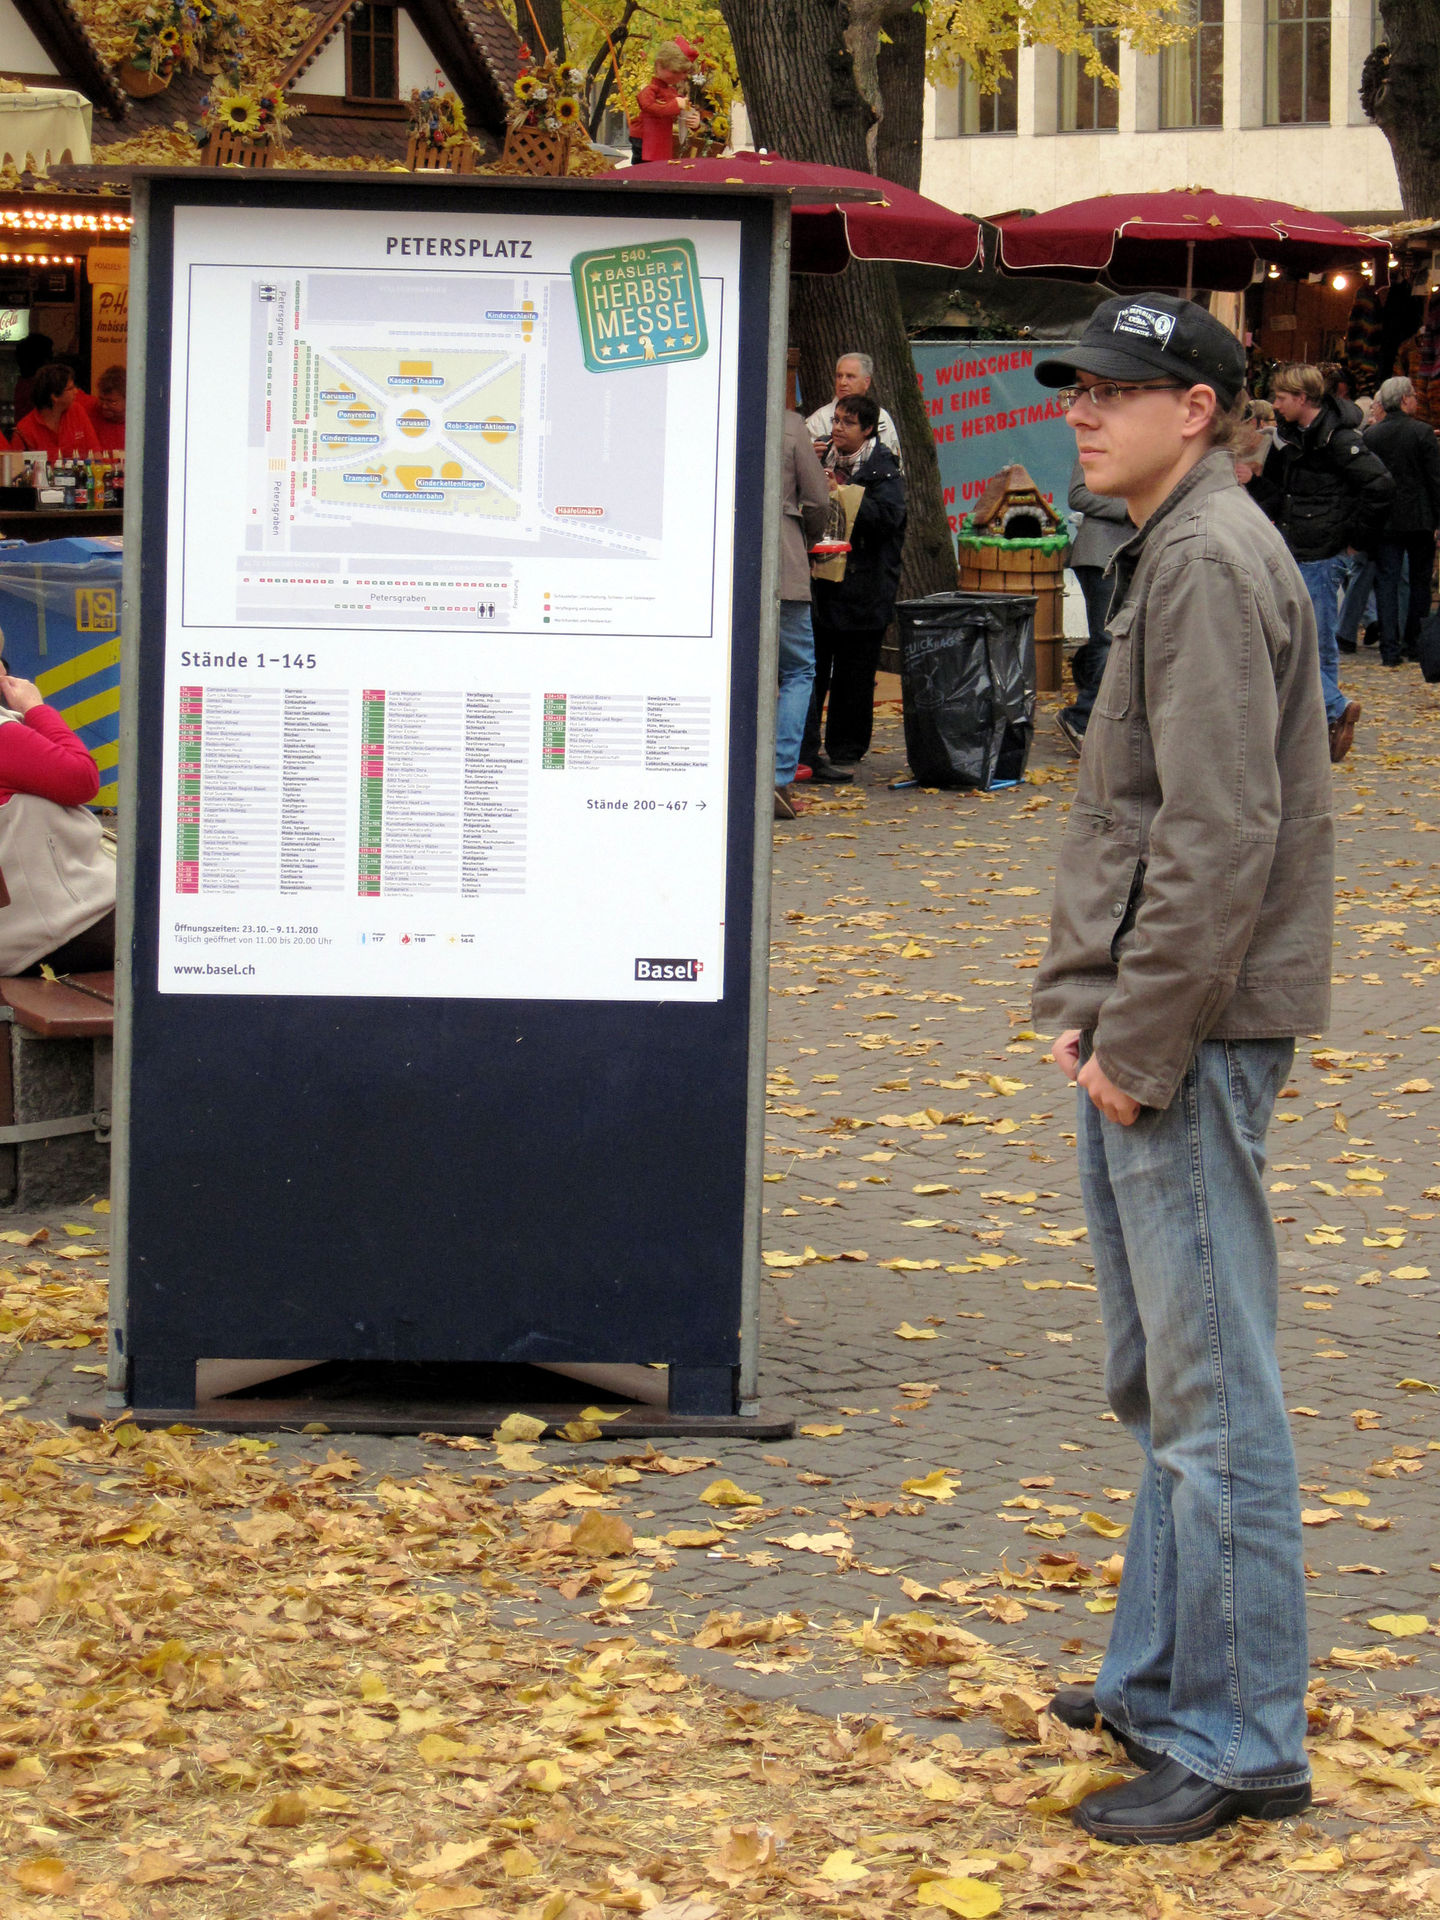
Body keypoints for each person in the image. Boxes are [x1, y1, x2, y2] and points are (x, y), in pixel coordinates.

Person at [1031, 293, 1333, 1846]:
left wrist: (1139, 1040)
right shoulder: (1178, 544)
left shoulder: (1208, 559)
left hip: (1191, 1034)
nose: (1082, 411)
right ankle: (1159, 1682)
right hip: (1160, 1019)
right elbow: (1157, 819)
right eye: (1075, 389)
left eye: (1115, 390)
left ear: (1197, 409)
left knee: (1211, 1397)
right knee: (1166, 1377)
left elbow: (1219, 835)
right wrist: (1098, 1004)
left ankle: (1240, 1739)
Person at [1244, 362, 1393, 763]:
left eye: (1281, 397)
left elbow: (1380, 485)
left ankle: (1331, 712)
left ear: (1302, 398)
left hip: (1321, 553)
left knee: (1307, 641)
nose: (1276, 405)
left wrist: (1354, 540)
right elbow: (1282, 495)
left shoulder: (1338, 439)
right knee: (1310, 640)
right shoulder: (1292, 437)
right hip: (1298, 548)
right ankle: (1324, 720)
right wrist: (1252, 482)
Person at [800, 393, 905, 782]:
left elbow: (888, 521)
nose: (838, 428)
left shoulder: (884, 471)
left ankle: (846, 748)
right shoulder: (821, 457)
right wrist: (812, 469)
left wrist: (842, 493)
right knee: (813, 668)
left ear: (867, 430)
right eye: (836, 420)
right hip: (824, 586)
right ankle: (806, 747)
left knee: (855, 673)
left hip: (865, 589)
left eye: (847, 422)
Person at [0, 656, 113, 976]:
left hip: (19, 935)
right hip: (56, 933)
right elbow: (81, 779)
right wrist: (35, 708)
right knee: (180, 926)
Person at [1056, 455, 1133, 754]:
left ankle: (1100, 720)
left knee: (1115, 640)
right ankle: (1081, 719)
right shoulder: (1099, 442)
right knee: (1109, 641)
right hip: (1101, 555)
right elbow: (1078, 494)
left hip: (1124, 556)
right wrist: (1128, 509)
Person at [1363, 375, 1440, 666]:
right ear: (1406, 399)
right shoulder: (1422, 433)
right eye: (1415, 396)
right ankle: (1414, 643)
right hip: (1420, 518)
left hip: (1386, 519)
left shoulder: (1372, 435)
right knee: (1420, 582)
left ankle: (1389, 648)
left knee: (1387, 581)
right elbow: (1435, 479)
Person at [774, 410, 829, 819]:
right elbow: (818, 500)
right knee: (797, 671)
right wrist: (806, 539)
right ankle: (777, 777)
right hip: (783, 564)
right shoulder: (790, 425)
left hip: (719, 571)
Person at [805, 353, 901, 462]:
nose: (842, 382)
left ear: (866, 382)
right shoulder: (819, 420)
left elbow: (896, 462)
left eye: (850, 376)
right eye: (839, 376)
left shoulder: (882, 416)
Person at [12, 363, 100, 463]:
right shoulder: (24, 430)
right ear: (54, 396)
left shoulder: (77, 411)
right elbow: (16, 468)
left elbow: (96, 453)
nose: (76, 391)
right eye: (70, 388)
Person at [89, 363, 126, 451]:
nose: (104, 406)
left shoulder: (140, 424)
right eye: (101, 399)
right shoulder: (89, 413)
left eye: (111, 402)